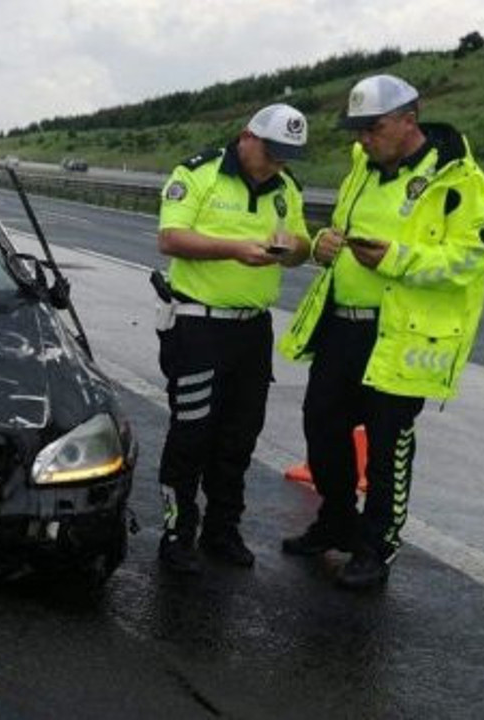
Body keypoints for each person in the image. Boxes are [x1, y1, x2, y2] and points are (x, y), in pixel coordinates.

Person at [278, 75, 484, 589]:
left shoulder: (461, 183)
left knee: (388, 446)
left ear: (409, 119)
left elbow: (470, 257)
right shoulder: (362, 168)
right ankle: (336, 519)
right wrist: (330, 241)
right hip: (343, 326)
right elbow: (342, 221)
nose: (362, 140)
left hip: (402, 334)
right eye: (356, 130)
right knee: (322, 424)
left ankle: (376, 546)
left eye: (373, 128)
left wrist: (399, 259)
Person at [154, 104, 312, 574]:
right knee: (192, 433)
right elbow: (170, 238)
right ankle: (178, 531)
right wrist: (235, 250)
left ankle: (222, 530)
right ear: (247, 136)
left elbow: (301, 247)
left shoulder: (286, 189)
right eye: (272, 152)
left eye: (287, 156)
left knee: (240, 436)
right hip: (199, 324)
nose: (278, 163)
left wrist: (291, 249)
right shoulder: (198, 173)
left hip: (252, 329)